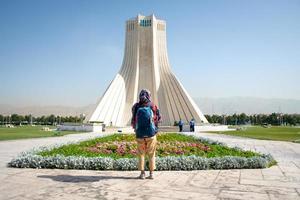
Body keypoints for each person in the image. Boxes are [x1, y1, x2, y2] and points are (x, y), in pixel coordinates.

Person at [131, 89, 161, 179]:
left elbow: (133, 120)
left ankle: (142, 174)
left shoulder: (136, 106)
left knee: (141, 154)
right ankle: (151, 174)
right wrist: (155, 128)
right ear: (149, 96)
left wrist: (136, 129)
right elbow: (158, 118)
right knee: (151, 154)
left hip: (140, 134)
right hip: (151, 134)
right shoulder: (152, 105)